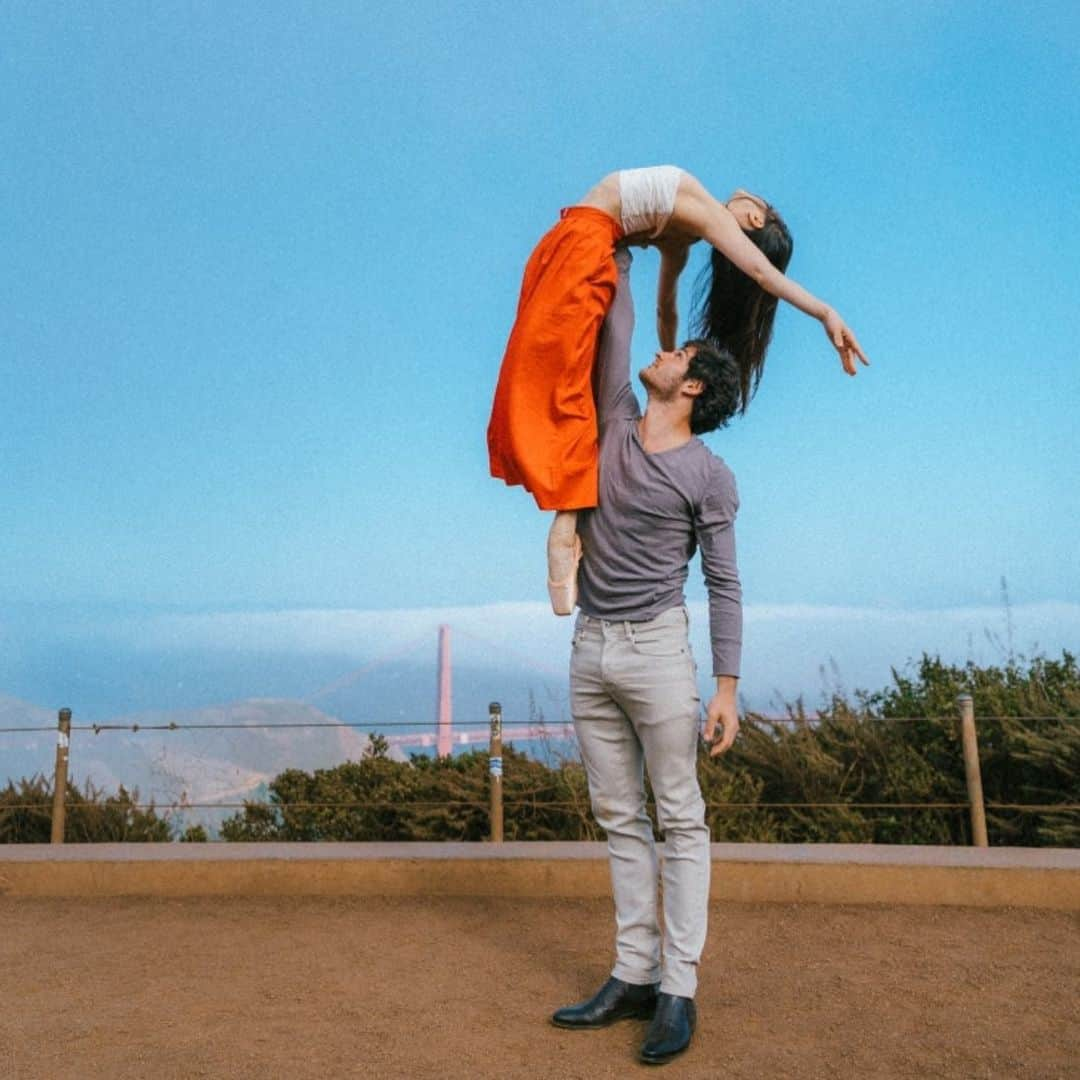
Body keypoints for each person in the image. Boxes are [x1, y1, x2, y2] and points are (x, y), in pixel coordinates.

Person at [486, 165, 868, 614]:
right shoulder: (682, 232)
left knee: (566, 390)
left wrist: (825, 313)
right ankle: (569, 523)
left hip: (583, 248)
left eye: (759, 203)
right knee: (558, 385)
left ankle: (567, 529)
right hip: (580, 247)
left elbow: (763, 276)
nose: (747, 192)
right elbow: (665, 310)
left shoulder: (707, 212)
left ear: (754, 222)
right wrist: (673, 361)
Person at [548, 247, 741, 1065]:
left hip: (661, 653)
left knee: (679, 816)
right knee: (619, 817)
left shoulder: (710, 474)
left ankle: (678, 989)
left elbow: (726, 584)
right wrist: (613, 261)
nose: (666, 355)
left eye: (681, 356)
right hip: (589, 645)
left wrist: (726, 687)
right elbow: (615, 335)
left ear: (691, 387)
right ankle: (631, 974)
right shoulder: (618, 417)